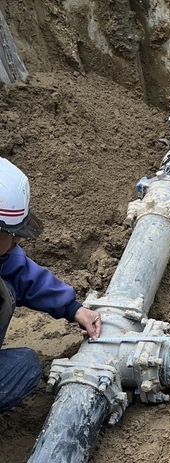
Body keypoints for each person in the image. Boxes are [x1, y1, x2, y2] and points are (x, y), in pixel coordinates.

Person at [0, 157, 102, 413]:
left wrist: (72, 308)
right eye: (12, 234)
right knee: (24, 367)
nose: (18, 240)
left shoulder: (4, 253)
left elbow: (19, 271)